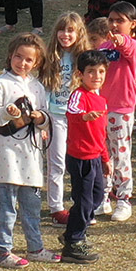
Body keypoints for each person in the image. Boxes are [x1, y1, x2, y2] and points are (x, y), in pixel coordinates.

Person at [0, 33, 51, 268]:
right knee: (7, 206)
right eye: (18, 57)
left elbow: (45, 118)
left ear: (37, 63)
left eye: (29, 60)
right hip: (6, 156)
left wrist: (40, 118)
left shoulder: (37, 86)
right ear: (10, 56)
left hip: (31, 155)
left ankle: (35, 247)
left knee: (32, 205)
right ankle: (3, 251)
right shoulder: (0, 83)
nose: (22, 63)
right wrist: (6, 112)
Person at [59, 53, 114, 263]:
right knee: (83, 200)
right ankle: (73, 242)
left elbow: (101, 134)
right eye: (91, 71)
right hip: (80, 157)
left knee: (98, 196)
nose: (97, 76)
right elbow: (71, 111)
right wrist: (84, 116)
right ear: (80, 74)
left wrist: (105, 157)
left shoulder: (101, 100)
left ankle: (72, 231)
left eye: (101, 71)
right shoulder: (78, 95)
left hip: (95, 158)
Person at [86, 7, 136, 201]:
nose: (115, 25)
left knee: (121, 155)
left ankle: (124, 197)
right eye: (111, 20)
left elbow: (127, 46)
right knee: (104, 155)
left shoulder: (133, 46)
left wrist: (120, 40)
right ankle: (103, 195)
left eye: (120, 20)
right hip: (100, 108)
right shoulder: (103, 48)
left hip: (121, 109)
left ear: (132, 24)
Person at [40, 13, 86, 222]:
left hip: (79, 117)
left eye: (70, 30)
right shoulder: (50, 56)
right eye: (62, 30)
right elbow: (43, 89)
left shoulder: (84, 57)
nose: (65, 35)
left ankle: (83, 203)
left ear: (79, 33)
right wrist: (43, 121)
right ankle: (56, 207)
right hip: (55, 116)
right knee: (56, 162)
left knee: (79, 162)